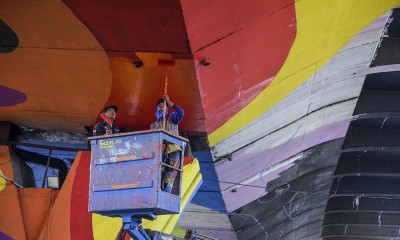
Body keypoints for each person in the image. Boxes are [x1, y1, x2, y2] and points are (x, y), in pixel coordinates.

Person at [150, 94, 184, 193]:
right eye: (159, 105)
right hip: (160, 152)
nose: (161, 106)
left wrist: (169, 101)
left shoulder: (172, 118)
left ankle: (166, 193)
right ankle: (158, 193)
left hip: (173, 149)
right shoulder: (153, 125)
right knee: (158, 174)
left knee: (170, 174)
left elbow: (181, 112)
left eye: (163, 104)